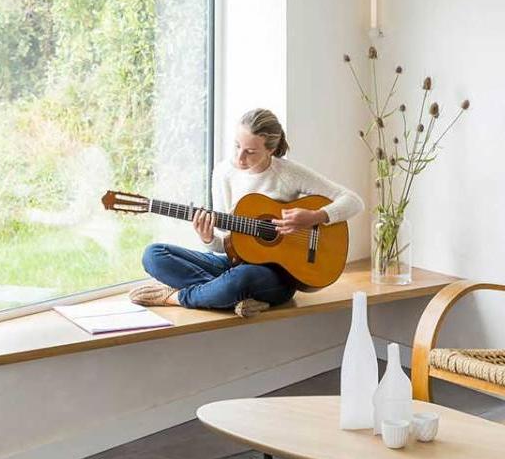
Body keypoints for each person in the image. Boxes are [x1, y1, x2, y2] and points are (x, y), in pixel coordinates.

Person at [131, 108, 364, 317]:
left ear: (270, 149)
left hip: (276, 276)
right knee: (153, 254)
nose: (240, 158)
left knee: (242, 279)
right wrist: (208, 238)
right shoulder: (223, 173)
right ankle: (232, 298)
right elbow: (227, 244)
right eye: (237, 146)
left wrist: (314, 217)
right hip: (233, 264)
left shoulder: (288, 173)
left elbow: (354, 201)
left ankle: (175, 297)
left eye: (250, 151)